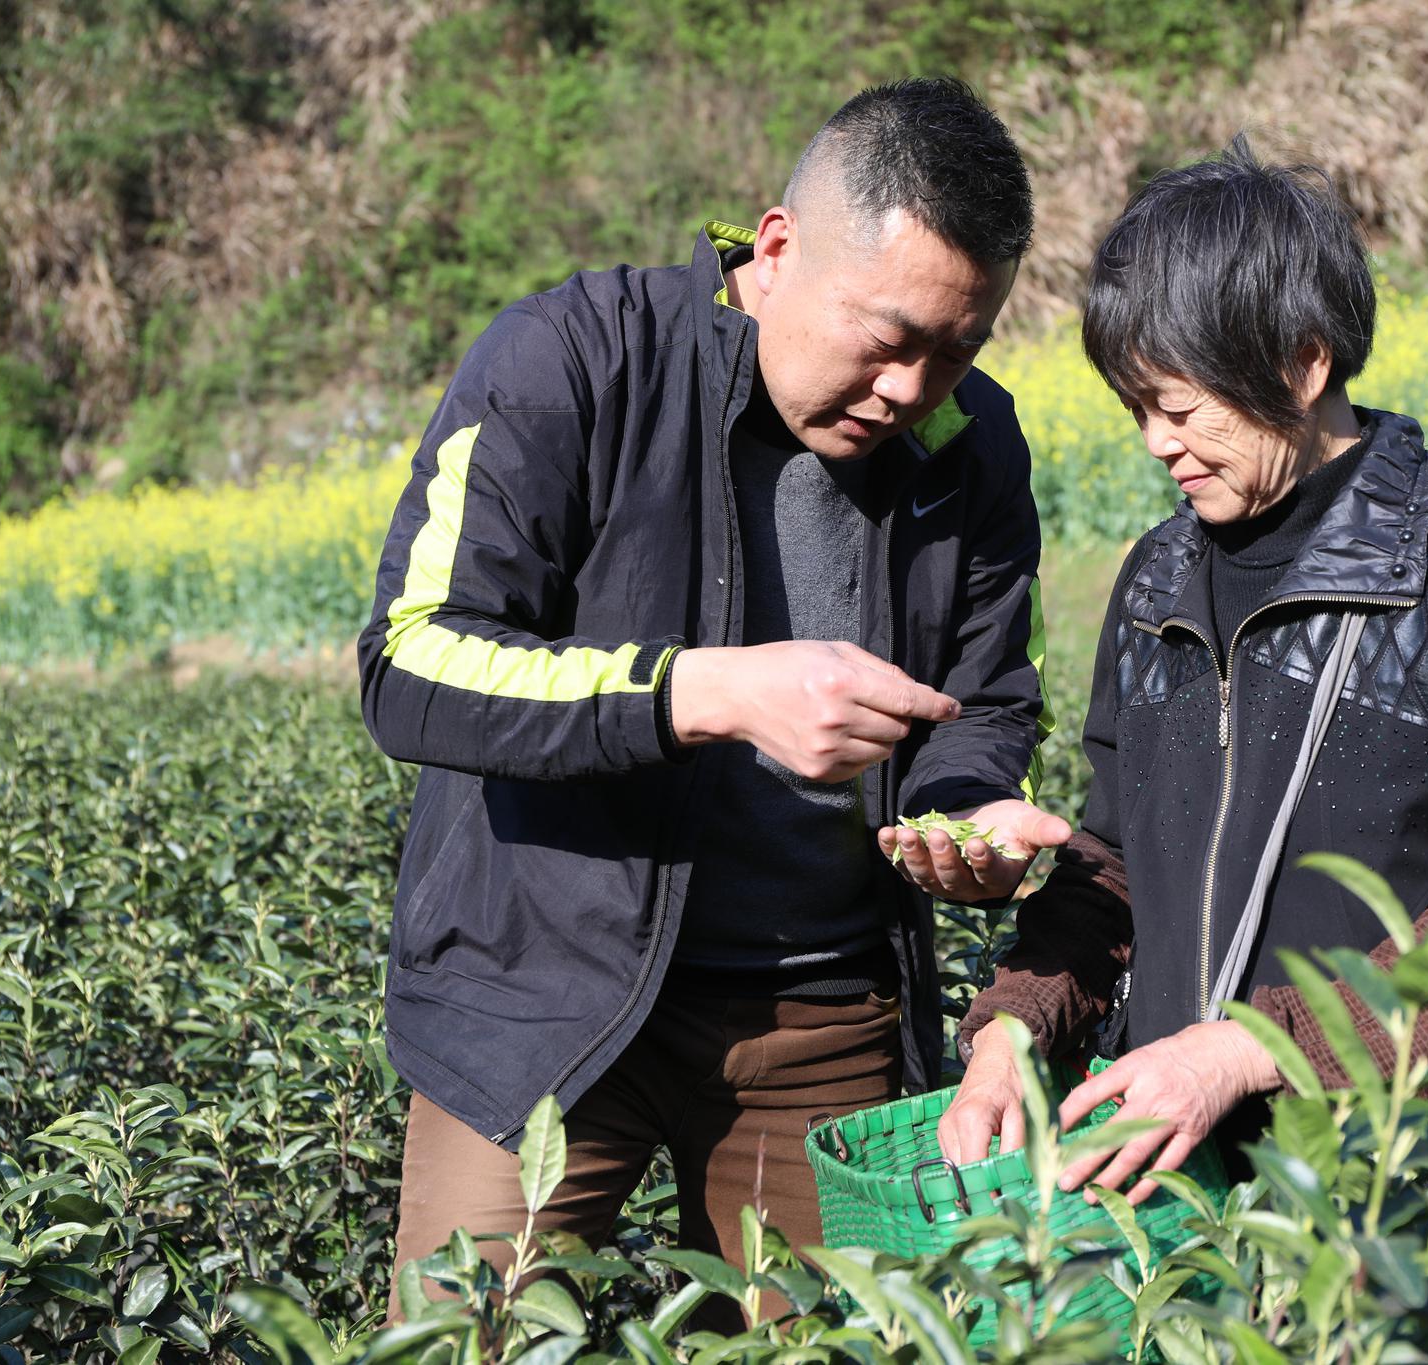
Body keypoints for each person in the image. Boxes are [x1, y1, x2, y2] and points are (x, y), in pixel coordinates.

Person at [358, 79, 1072, 1319]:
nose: (912, 387)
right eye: (888, 336)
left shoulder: (970, 443)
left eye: (956, 347)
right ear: (777, 248)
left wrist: (960, 813)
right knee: (466, 1340)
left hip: (820, 1018)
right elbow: (410, 664)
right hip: (540, 1000)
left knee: (827, 1343)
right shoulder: (572, 360)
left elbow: (989, 700)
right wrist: (702, 692)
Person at [937, 137, 1428, 1204]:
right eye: (1134, 409)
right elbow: (1111, 864)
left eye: (1180, 405)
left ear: (1302, 365)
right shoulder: (1158, 576)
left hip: (1387, 1197)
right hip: (1173, 1186)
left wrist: (1246, 1052)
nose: (1157, 445)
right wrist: (1012, 1025)